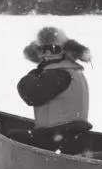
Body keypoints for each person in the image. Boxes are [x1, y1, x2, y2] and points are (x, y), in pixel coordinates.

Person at [12, 26, 92, 154]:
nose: (48, 54)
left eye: (54, 49)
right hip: (72, 138)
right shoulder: (70, 70)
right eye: (44, 50)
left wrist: (37, 71)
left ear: (64, 51)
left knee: (12, 136)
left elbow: (30, 93)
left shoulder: (59, 74)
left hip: (57, 140)